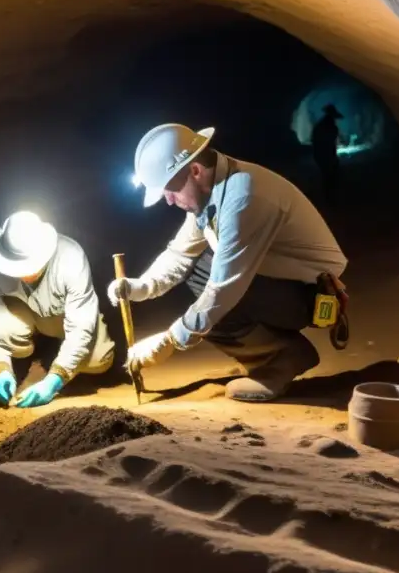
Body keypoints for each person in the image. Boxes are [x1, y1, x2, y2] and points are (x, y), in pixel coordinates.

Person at [108, 123, 348, 402]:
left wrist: (170, 340)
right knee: (199, 272)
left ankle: (282, 360)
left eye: (170, 191)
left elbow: (223, 289)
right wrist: (140, 287)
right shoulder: (211, 190)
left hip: (310, 295)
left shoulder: (243, 197)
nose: (170, 202)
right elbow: (180, 255)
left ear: (194, 170)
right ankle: (278, 353)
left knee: (210, 304)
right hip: (277, 283)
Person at [0, 210, 116, 408]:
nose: (25, 273)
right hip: (25, 315)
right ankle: (33, 352)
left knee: (100, 359)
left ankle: (55, 354)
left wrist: (55, 379)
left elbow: (81, 325)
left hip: (62, 317)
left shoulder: (71, 258)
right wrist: (0, 369)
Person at [311, 104, 343, 204]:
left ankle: (329, 198)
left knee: (327, 176)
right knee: (330, 176)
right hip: (326, 155)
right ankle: (330, 199)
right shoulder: (329, 126)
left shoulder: (320, 125)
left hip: (322, 155)